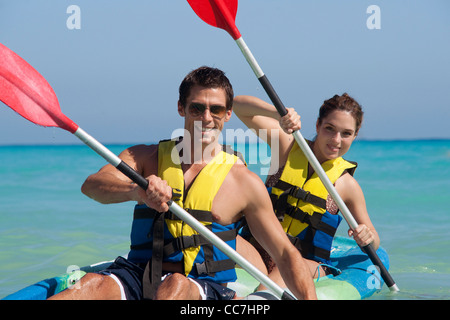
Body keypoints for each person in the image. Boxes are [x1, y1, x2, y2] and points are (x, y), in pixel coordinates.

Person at [49, 66, 317, 300]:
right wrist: (137, 191)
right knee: (90, 284)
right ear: (181, 108)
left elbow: (285, 254)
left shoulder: (244, 182)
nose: (206, 118)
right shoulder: (144, 158)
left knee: (176, 286)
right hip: (136, 275)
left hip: (203, 288)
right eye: (197, 108)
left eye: (216, 109)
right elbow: (93, 186)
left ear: (228, 114)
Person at [233, 94, 380, 287]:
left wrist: (367, 236)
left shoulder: (347, 186)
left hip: (308, 264)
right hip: (259, 251)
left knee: (288, 266)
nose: (336, 140)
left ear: (355, 134)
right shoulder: (286, 147)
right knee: (218, 234)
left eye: (346, 133)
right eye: (330, 129)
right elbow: (236, 105)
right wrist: (279, 114)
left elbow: (374, 240)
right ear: (318, 125)